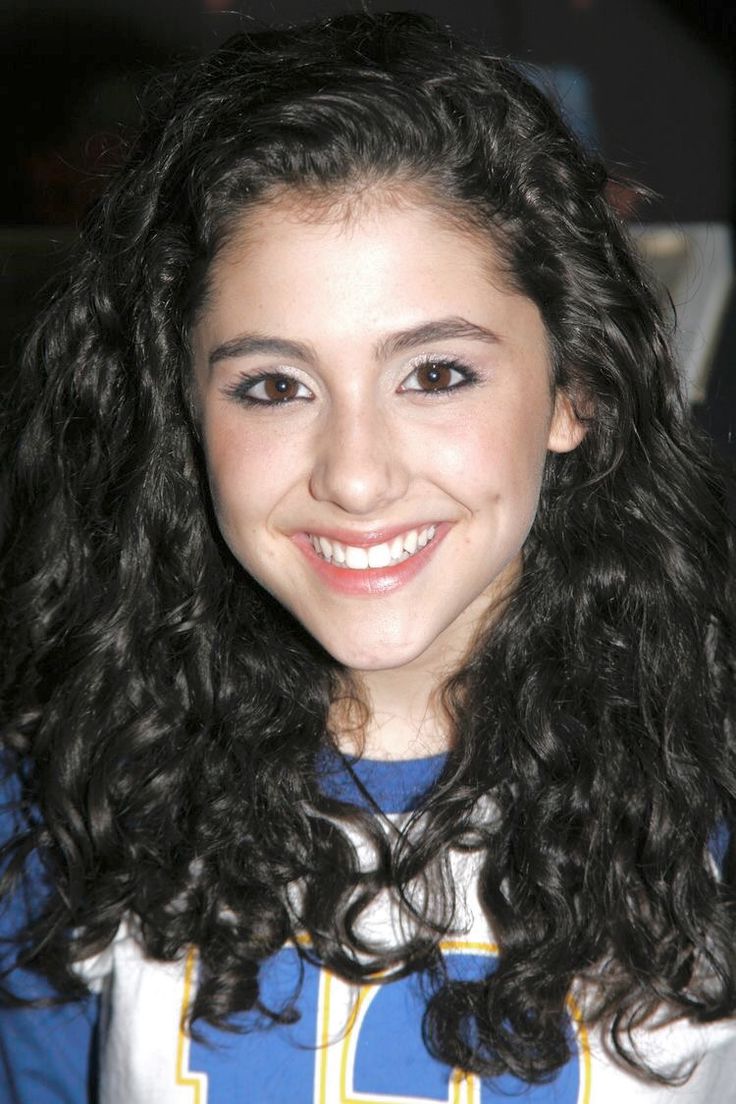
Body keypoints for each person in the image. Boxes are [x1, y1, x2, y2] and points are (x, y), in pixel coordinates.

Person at [1, 11, 734, 1103]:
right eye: (274, 386)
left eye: (435, 374)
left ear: (574, 389)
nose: (354, 474)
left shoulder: (710, 781)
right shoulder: (67, 795)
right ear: (185, 414)